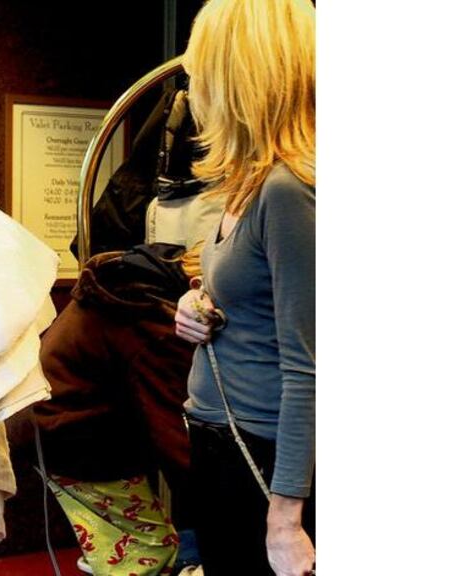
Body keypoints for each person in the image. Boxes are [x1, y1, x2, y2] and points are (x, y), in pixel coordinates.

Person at [172, 0, 315, 575]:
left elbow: (310, 366)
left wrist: (285, 519)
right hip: (221, 442)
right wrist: (195, 304)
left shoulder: (287, 190)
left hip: (263, 457)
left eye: (203, 70)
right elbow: (253, 297)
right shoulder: (247, 183)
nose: (192, 87)